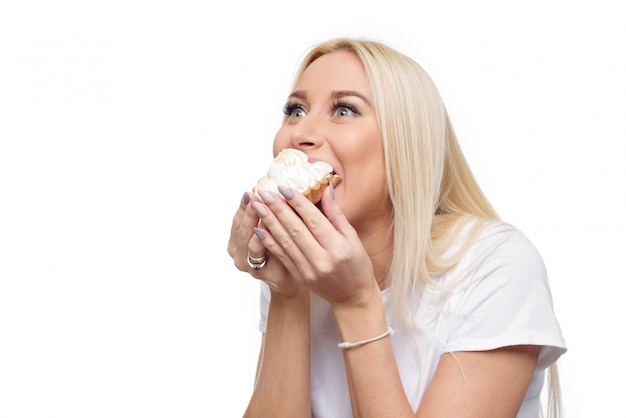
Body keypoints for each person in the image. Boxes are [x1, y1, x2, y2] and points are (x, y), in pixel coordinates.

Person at [228, 37, 566, 418]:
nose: (300, 133)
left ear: (406, 142)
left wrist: (356, 302)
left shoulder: (495, 266)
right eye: (295, 110)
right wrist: (287, 293)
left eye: (343, 110)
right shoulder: (306, 265)